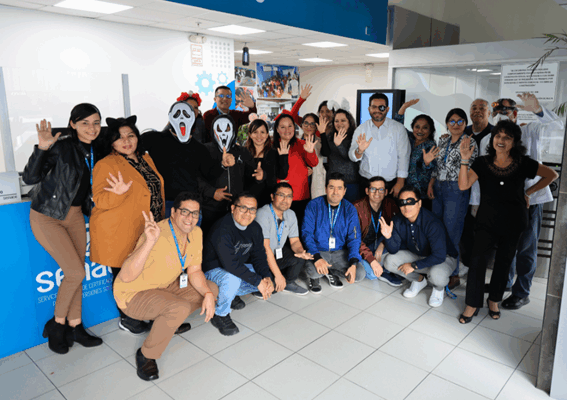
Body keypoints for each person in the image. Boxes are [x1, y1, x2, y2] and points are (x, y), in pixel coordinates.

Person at [457, 120, 558, 323]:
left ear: (515, 141)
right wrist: (465, 160)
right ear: (492, 139)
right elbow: (464, 185)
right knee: (477, 261)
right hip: (486, 220)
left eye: (507, 137)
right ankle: (472, 303)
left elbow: (551, 175)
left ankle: (494, 300)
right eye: (498, 136)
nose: (501, 140)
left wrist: (529, 192)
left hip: (514, 220)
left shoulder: (523, 163)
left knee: (504, 262)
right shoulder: (482, 162)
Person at [23, 103, 104, 354]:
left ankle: (75, 326)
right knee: (75, 272)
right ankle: (57, 324)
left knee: (77, 272)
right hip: (47, 216)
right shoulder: (61, 146)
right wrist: (42, 148)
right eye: (85, 123)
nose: (91, 128)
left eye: (96, 123)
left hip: (75, 215)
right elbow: (30, 178)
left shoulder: (97, 150)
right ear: (73, 124)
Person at [472, 94, 564, 310]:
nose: (502, 115)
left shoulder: (530, 131)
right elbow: (481, 175)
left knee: (526, 249)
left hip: (530, 202)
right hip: (501, 205)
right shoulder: (489, 141)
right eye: (498, 112)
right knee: (506, 248)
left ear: (515, 113)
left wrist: (538, 110)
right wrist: (477, 205)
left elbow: (558, 128)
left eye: (506, 111)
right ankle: (502, 284)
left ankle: (521, 292)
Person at [114, 192, 219, 381]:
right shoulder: (157, 233)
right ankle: (146, 354)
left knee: (211, 289)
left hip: (164, 286)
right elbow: (126, 277)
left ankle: (166, 324)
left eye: (195, 213)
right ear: (173, 212)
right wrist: (150, 242)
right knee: (179, 307)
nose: (190, 218)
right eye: (185, 212)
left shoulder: (196, 233)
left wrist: (208, 294)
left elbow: (194, 271)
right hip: (133, 294)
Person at [90, 115, 165, 335]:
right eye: (119, 137)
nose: (126, 141)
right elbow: (100, 200)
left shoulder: (145, 158)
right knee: (126, 275)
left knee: (148, 273)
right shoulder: (106, 164)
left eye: (130, 135)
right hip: (121, 230)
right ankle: (128, 318)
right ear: (111, 142)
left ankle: (150, 312)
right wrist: (117, 193)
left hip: (148, 227)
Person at [203, 193, 274, 336]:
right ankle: (220, 314)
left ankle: (230, 294)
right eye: (243, 208)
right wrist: (257, 281)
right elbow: (230, 264)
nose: (248, 213)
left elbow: (259, 256)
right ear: (233, 208)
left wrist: (266, 277)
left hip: (234, 267)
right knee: (233, 279)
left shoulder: (255, 228)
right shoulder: (222, 228)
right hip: (213, 269)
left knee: (266, 278)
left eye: (252, 209)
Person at [141, 101, 223, 217]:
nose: (182, 118)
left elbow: (210, 174)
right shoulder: (154, 139)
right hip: (164, 204)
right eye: (177, 114)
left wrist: (224, 164)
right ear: (170, 117)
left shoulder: (199, 148)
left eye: (186, 114)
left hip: (191, 205)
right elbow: (132, 147)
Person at [381, 186, 459, 307]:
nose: (406, 207)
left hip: (444, 258)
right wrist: (388, 237)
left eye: (410, 202)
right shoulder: (397, 220)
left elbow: (439, 255)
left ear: (419, 203)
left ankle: (438, 289)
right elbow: (393, 249)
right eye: (402, 203)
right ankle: (419, 280)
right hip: (420, 254)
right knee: (389, 261)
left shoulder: (432, 222)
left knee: (437, 275)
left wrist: (413, 266)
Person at [428, 108, 477, 280]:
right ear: (447, 124)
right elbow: (437, 166)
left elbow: (470, 168)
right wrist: (431, 184)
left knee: (452, 231)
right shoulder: (443, 140)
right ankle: (438, 266)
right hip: (439, 187)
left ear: (465, 123)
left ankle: (454, 273)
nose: (456, 125)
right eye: (452, 121)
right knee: (437, 228)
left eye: (460, 121)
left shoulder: (470, 142)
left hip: (456, 189)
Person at [201, 114, 264, 236]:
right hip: (211, 209)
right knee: (210, 238)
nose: (224, 134)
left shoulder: (242, 151)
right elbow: (198, 177)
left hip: (237, 210)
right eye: (219, 130)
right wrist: (212, 192)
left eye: (227, 129)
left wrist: (260, 177)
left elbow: (252, 176)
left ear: (234, 130)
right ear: (213, 131)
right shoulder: (205, 150)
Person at [302, 172, 365, 293]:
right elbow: (307, 234)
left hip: (339, 252)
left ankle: (330, 272)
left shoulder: (350, 209)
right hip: (319, 251)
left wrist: (353, 263)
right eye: (331, 187)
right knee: (314, 272)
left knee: (359, 274)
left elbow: (354, 238)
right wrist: (317, 258)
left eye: (339, 188)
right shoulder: (313, 205)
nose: (335, 192)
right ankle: (316, 276)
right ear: (326, 189)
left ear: (344, 191)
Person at [255, 183, 313, 295]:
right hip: (260, 258)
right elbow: (265, 248)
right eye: (281, 195)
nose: (285, 200)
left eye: (289, 196)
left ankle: (288, 283)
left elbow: (295, 241)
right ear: (272, 197)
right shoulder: (262, 214)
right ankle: (268, 283)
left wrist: (301, 252)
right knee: (271, 287)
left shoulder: (291, 214)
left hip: (276, 254)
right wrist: (278, 275)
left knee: (299, 257)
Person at [349, 93, 411, 197]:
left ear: (387, 109)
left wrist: (400, 182)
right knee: (364, 208)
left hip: (391, 184)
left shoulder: (398, 128)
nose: (377, 110)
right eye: (374, 107)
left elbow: (404, 156)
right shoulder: (361, 129)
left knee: (390, 208)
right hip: (366, 183)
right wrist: (359, 151)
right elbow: (352, 156)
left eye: (381, 107)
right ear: (369, 109)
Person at [459, 99, 494, 284]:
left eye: (482, 108)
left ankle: (478, 272)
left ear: (489, 113)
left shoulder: (496, 134)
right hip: (464, 192)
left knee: (483, 235)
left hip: (487, 194)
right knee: (466, 231)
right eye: (474, 108)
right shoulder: (463, 132)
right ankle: (466, 266)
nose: (478, 111)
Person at [353, 176, 403, 287]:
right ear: (367, 191)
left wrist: (383, 243)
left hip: (379, 244)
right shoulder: (356, 207)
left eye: (381, 189)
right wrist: (371, 260)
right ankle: (382, 270)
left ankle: (383, 268)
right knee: (372, 274)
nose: (377, 193)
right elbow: (354, 239)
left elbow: (396, 230)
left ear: (386, 192)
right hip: (361, 247)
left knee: (397, 244)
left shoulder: (390, 204)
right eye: (373, 189)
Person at [273, 113, 318, 225]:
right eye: (282, 127)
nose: (287, 130)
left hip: (301, 196)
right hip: (281, 197)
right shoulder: (272, 146)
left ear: (294, 127)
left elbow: (314, 163)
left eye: (290, 126)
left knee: (299, 229)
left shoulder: (302, 144)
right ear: (277, 129)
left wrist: (310, 151)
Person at [394, 99, 439, 211]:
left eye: (425, 128)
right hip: (404, 188)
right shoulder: (409, 138)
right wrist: (403, 107)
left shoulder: (431, 145)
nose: (420, 130)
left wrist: (427, 163)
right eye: (417, 127)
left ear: (430, 130)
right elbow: (397, 126)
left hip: (421, 192)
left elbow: (433, 170)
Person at [244, 119, 289, 206]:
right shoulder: (243, 153)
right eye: (255, 132)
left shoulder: (274, 153)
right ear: (250, 134)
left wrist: (284, 156)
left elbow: (282, 175)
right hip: (248, 202)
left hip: (268, 201)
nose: (259, 136)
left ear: (267, 134)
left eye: (262, 132)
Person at [321, 108, 361, 202]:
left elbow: (351, 158)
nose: (339, 123)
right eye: (336, 121)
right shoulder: (330, 136)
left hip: (351, 182)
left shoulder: (355, 137)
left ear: (349, 122)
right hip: (333, 182)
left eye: (343, 120)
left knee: (352, 208)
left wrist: (339, 145)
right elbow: (324, 153)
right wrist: (322, 133)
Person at [302, 113, 326, 199]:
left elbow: (326, 153)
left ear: (316, 127)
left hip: (316, 180)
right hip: (300, 181)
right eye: (306, 123)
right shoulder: (296, 141)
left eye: (312, 124)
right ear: (301, 125)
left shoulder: (320, 142)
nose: (309, 126)